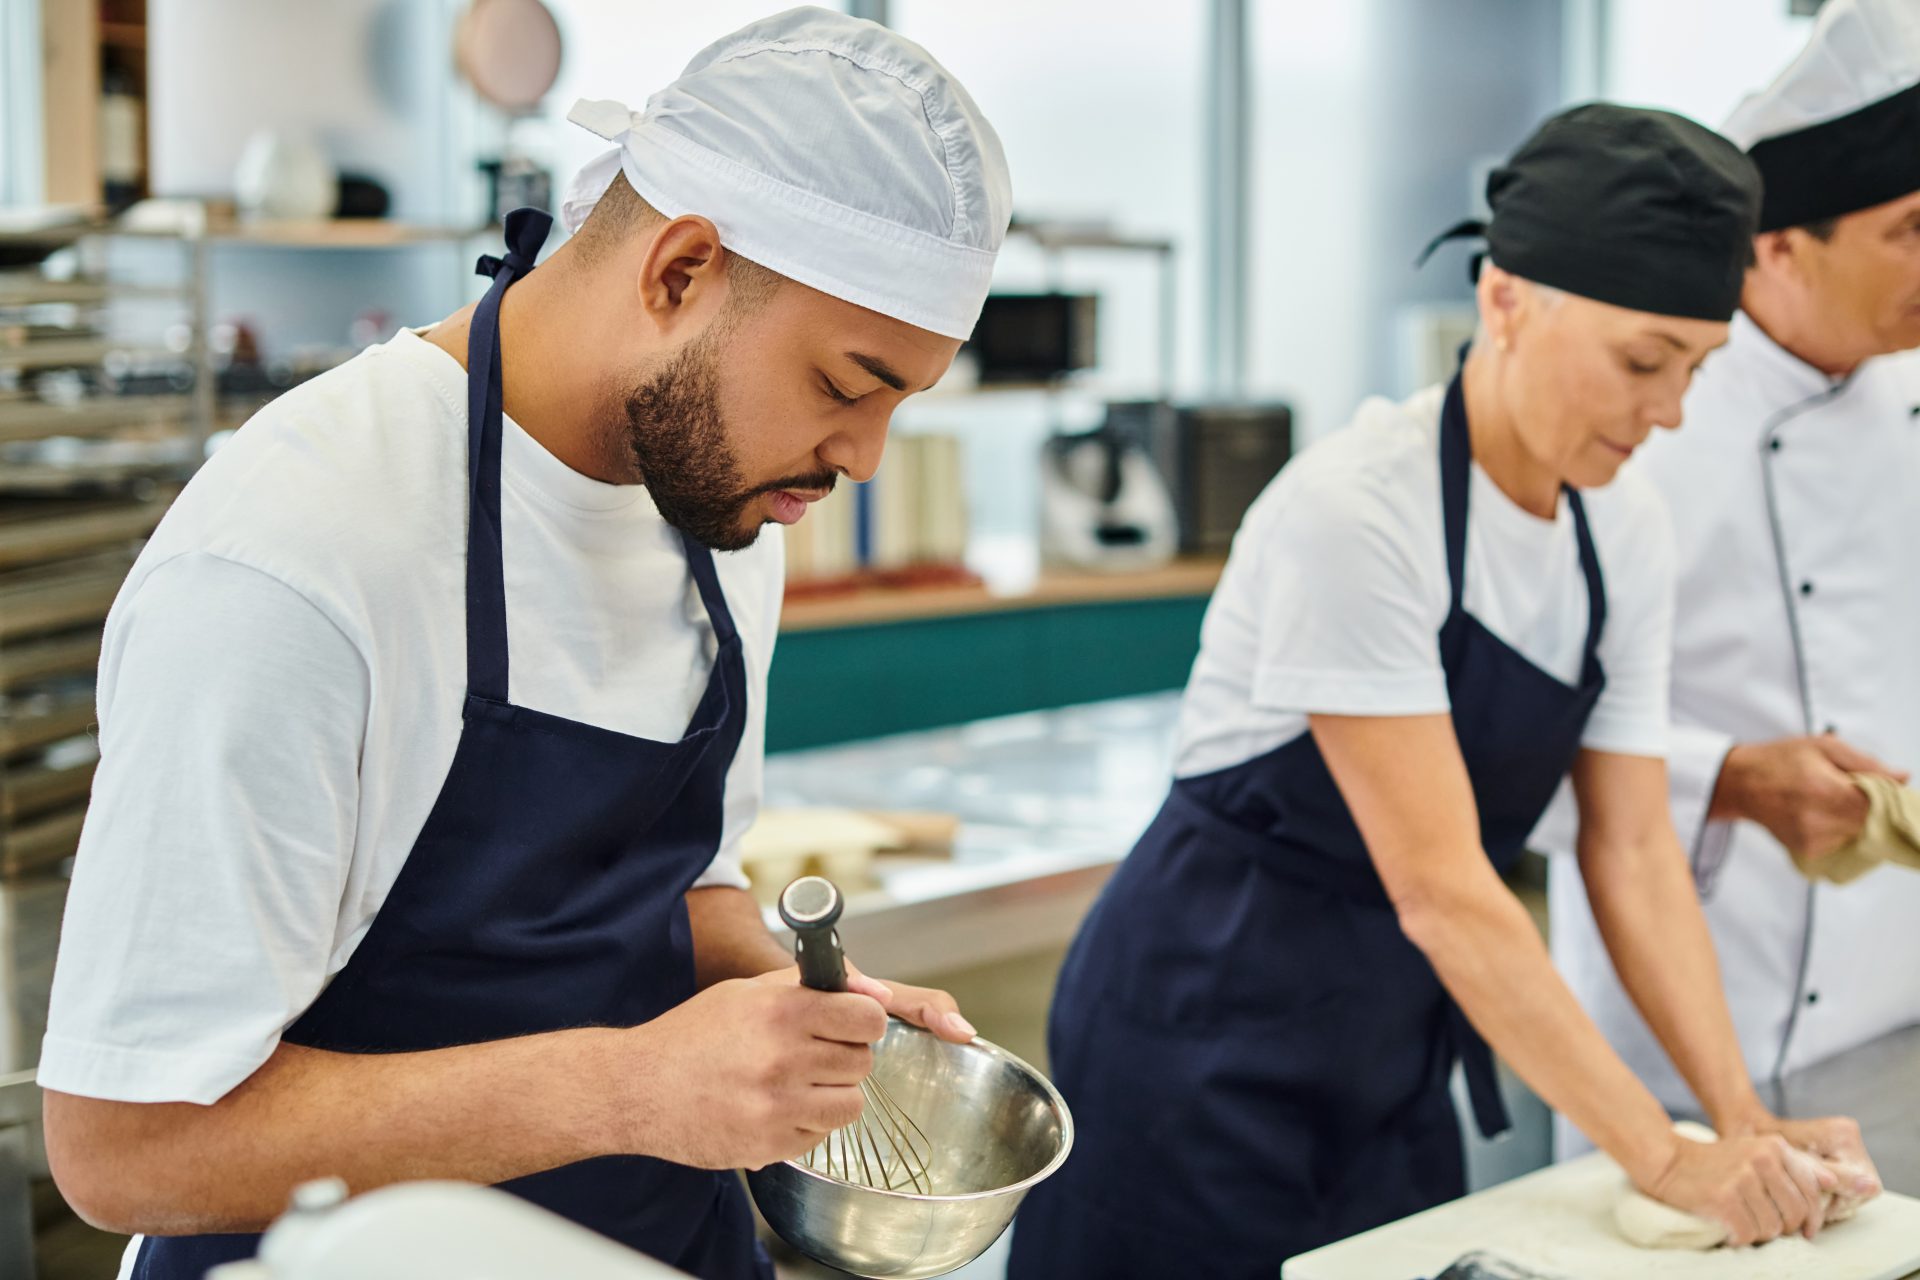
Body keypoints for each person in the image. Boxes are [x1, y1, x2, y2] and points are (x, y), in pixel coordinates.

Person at [38, 9, 1011, 1279]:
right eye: (845, 384)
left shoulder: (720, 507)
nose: (863, 459)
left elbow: (679, 882)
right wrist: (634, 1088)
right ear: (680, 271)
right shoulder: (302, 550)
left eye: (902, 402)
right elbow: (125, 1145)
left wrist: (800, 1009)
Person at [1006, 103, 1879, 1279]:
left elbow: (1630, 850)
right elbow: (1447, 890)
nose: (1668, 411)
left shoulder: (1621, 528)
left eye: (1697, 368)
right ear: (1506, 299)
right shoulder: (1360, 510)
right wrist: (1662, 1160)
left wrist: (1737, 1118)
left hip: (1392, 1046)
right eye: (1642, 362)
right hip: (1202, 1032)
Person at [1545, 0, 1920, 1155]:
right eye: (1909, 230)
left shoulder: (1907, 406)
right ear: (1779, 245)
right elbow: (1500, 742)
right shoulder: (1639, 418)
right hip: (1682, 1010)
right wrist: (1733, 778)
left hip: (1891, 1000)